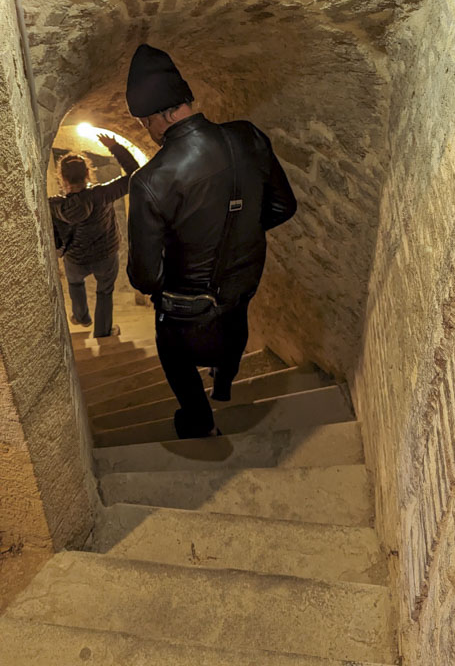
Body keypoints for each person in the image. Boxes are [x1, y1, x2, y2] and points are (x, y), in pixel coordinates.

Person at [126, 43, 297, 439]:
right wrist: (239, 235)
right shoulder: (248, 135)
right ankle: (223, 384)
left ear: (156, 117)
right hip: (243, 282)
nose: (146, 131)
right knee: (235, 328)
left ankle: (200, 421)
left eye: (143, 123)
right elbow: (283, 207)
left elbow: (146, 278)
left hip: (188, 307)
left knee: (175, 357)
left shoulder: (151, 180)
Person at [49, 134, 139, 338]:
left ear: (61, 177)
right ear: (88, 173)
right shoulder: (102, 194)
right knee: (104, 292)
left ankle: (81, 317)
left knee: (75, 284)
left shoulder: (54, 205)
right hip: (105, 254)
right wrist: (115, 147)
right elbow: (135, 175)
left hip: (75, 258)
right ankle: (103, 332)